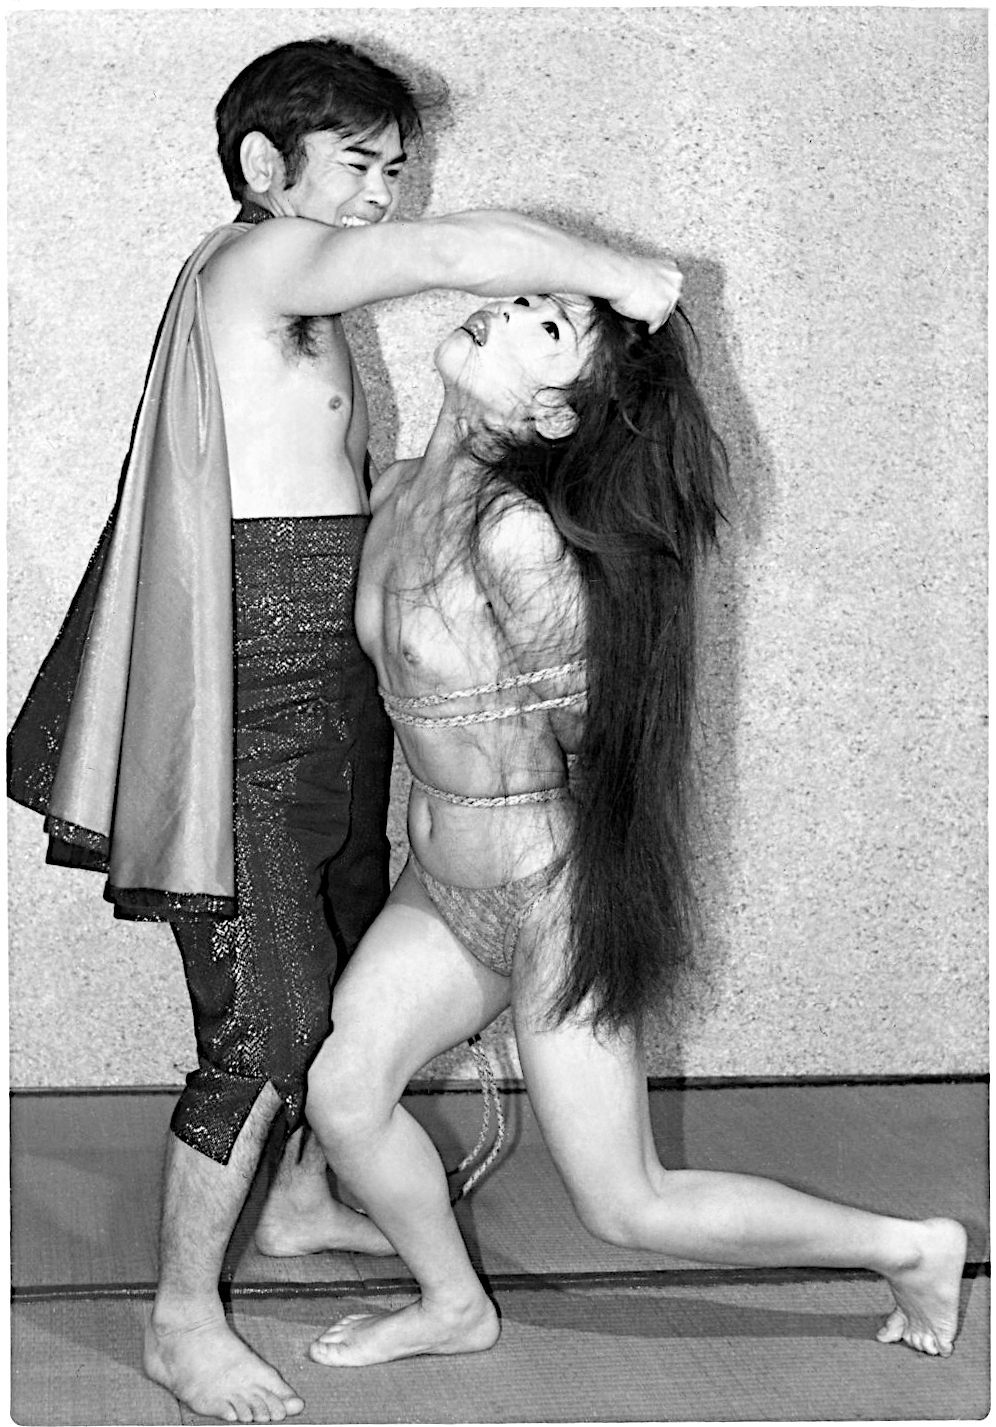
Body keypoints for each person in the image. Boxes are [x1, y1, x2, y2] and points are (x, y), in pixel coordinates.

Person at [6, 36, 685, 1425]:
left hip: (333, 692)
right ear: (268, 165)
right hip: (253, 699)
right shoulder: (258, 262)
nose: (384, 196)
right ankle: (179, 1318)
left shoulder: (304, 300)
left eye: (396, 169)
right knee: (264, 1017)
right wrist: (624, 278)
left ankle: (302, 1196)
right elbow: (466, 250)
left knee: (340, 939)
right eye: (362, 166)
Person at [301, 290, 969, 1371]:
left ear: (554, 416)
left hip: (545, 893)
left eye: (547, 328)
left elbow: (597, 729)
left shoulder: (516, 535)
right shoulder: (398, 490)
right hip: (442, 880)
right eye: (522, 299)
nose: (506, 310)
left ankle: (909, 1244)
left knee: (627, 1204)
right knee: (343, 1094)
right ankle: (455, 1304)